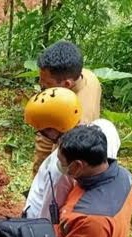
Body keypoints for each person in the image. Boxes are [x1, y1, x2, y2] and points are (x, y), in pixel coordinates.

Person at [23, 88, 121, 219]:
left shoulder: (61, 167)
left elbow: (48, 215)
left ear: (53, 131)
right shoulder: (106, 128)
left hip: (40, 215)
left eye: (42, 131)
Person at [32, 40, 102, 174]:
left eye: (47, 83)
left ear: (67, 83)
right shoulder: (88, 75)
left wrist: (40, 174)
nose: (41, 84)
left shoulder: (75, 121)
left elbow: (57, 163)